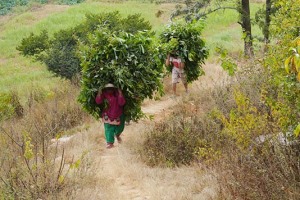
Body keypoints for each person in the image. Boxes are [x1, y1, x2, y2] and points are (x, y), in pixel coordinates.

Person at [95, 83, 126, 149]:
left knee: (120, 128)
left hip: (118, 113)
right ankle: (110, 143)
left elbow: (121, 103)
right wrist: (99, 93)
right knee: (108, 128)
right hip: (107, 114)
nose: (110, 90)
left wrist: (120, 93)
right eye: (108, 89)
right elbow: (98, 102)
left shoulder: (117, 93)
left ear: (114, 89)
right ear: (105, 89)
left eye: (111, 89)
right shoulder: (103, 94)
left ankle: (117, 135)